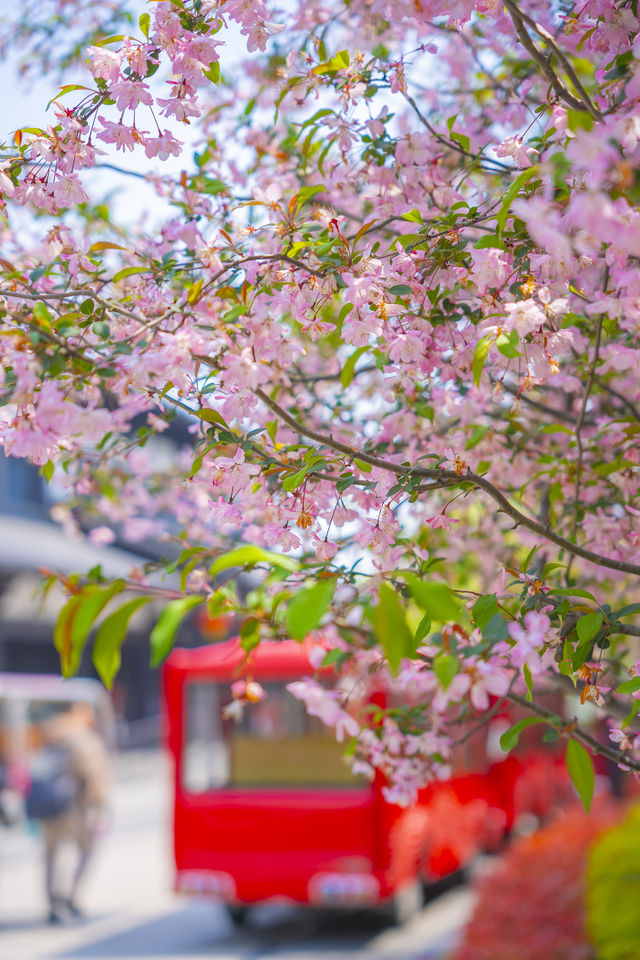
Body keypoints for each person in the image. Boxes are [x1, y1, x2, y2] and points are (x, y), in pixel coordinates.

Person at [30, 703, 110, 925]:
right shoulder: (85, 740)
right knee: (85, 851)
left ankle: (52, 902)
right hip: (76, 809)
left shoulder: (50, 736)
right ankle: (71, 897)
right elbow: (93, 778)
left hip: (48, 807)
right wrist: (99, 808)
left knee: (51, 856)